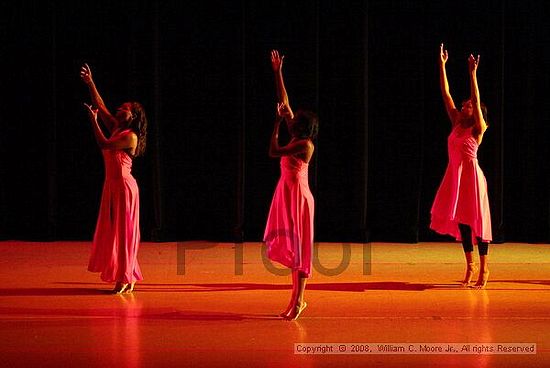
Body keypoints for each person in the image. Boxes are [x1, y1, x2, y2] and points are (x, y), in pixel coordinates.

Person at [80, 63, 147, 294]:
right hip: (112, 187)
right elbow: (101, 105)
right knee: (114, 233)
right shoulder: (118, 127)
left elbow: (104, 144)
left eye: (124, 109)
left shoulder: (130, 137)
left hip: (125, 189)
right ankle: (128, 274)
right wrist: (91, 83)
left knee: (124, 233)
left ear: (133, 116)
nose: (119, 109)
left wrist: (93, 121)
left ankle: (125, 276)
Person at [430, 43, 492, 289]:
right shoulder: (456, 121)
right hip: (455, 175)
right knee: (463, 223)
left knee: (477, 222)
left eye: (468, 105)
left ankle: (484, 268)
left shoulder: (478, 128)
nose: (465, 105)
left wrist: (472, 74)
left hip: (472, 177)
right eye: (464, 104)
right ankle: (470, 265)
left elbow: (477, 100)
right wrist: (442, 65)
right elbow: (446, 94)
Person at [264, 50, 318, 320]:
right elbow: (284, 102)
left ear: (302, 127)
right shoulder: (298, 134)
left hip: (299, 199)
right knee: (293, 249)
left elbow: (273, 151)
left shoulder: (303, 144)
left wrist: (275, 122)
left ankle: (299, 300)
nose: (290, 118)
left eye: (294, 120)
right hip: (288, 194)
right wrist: (278, 72)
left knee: (301, 250)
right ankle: (295, 299)